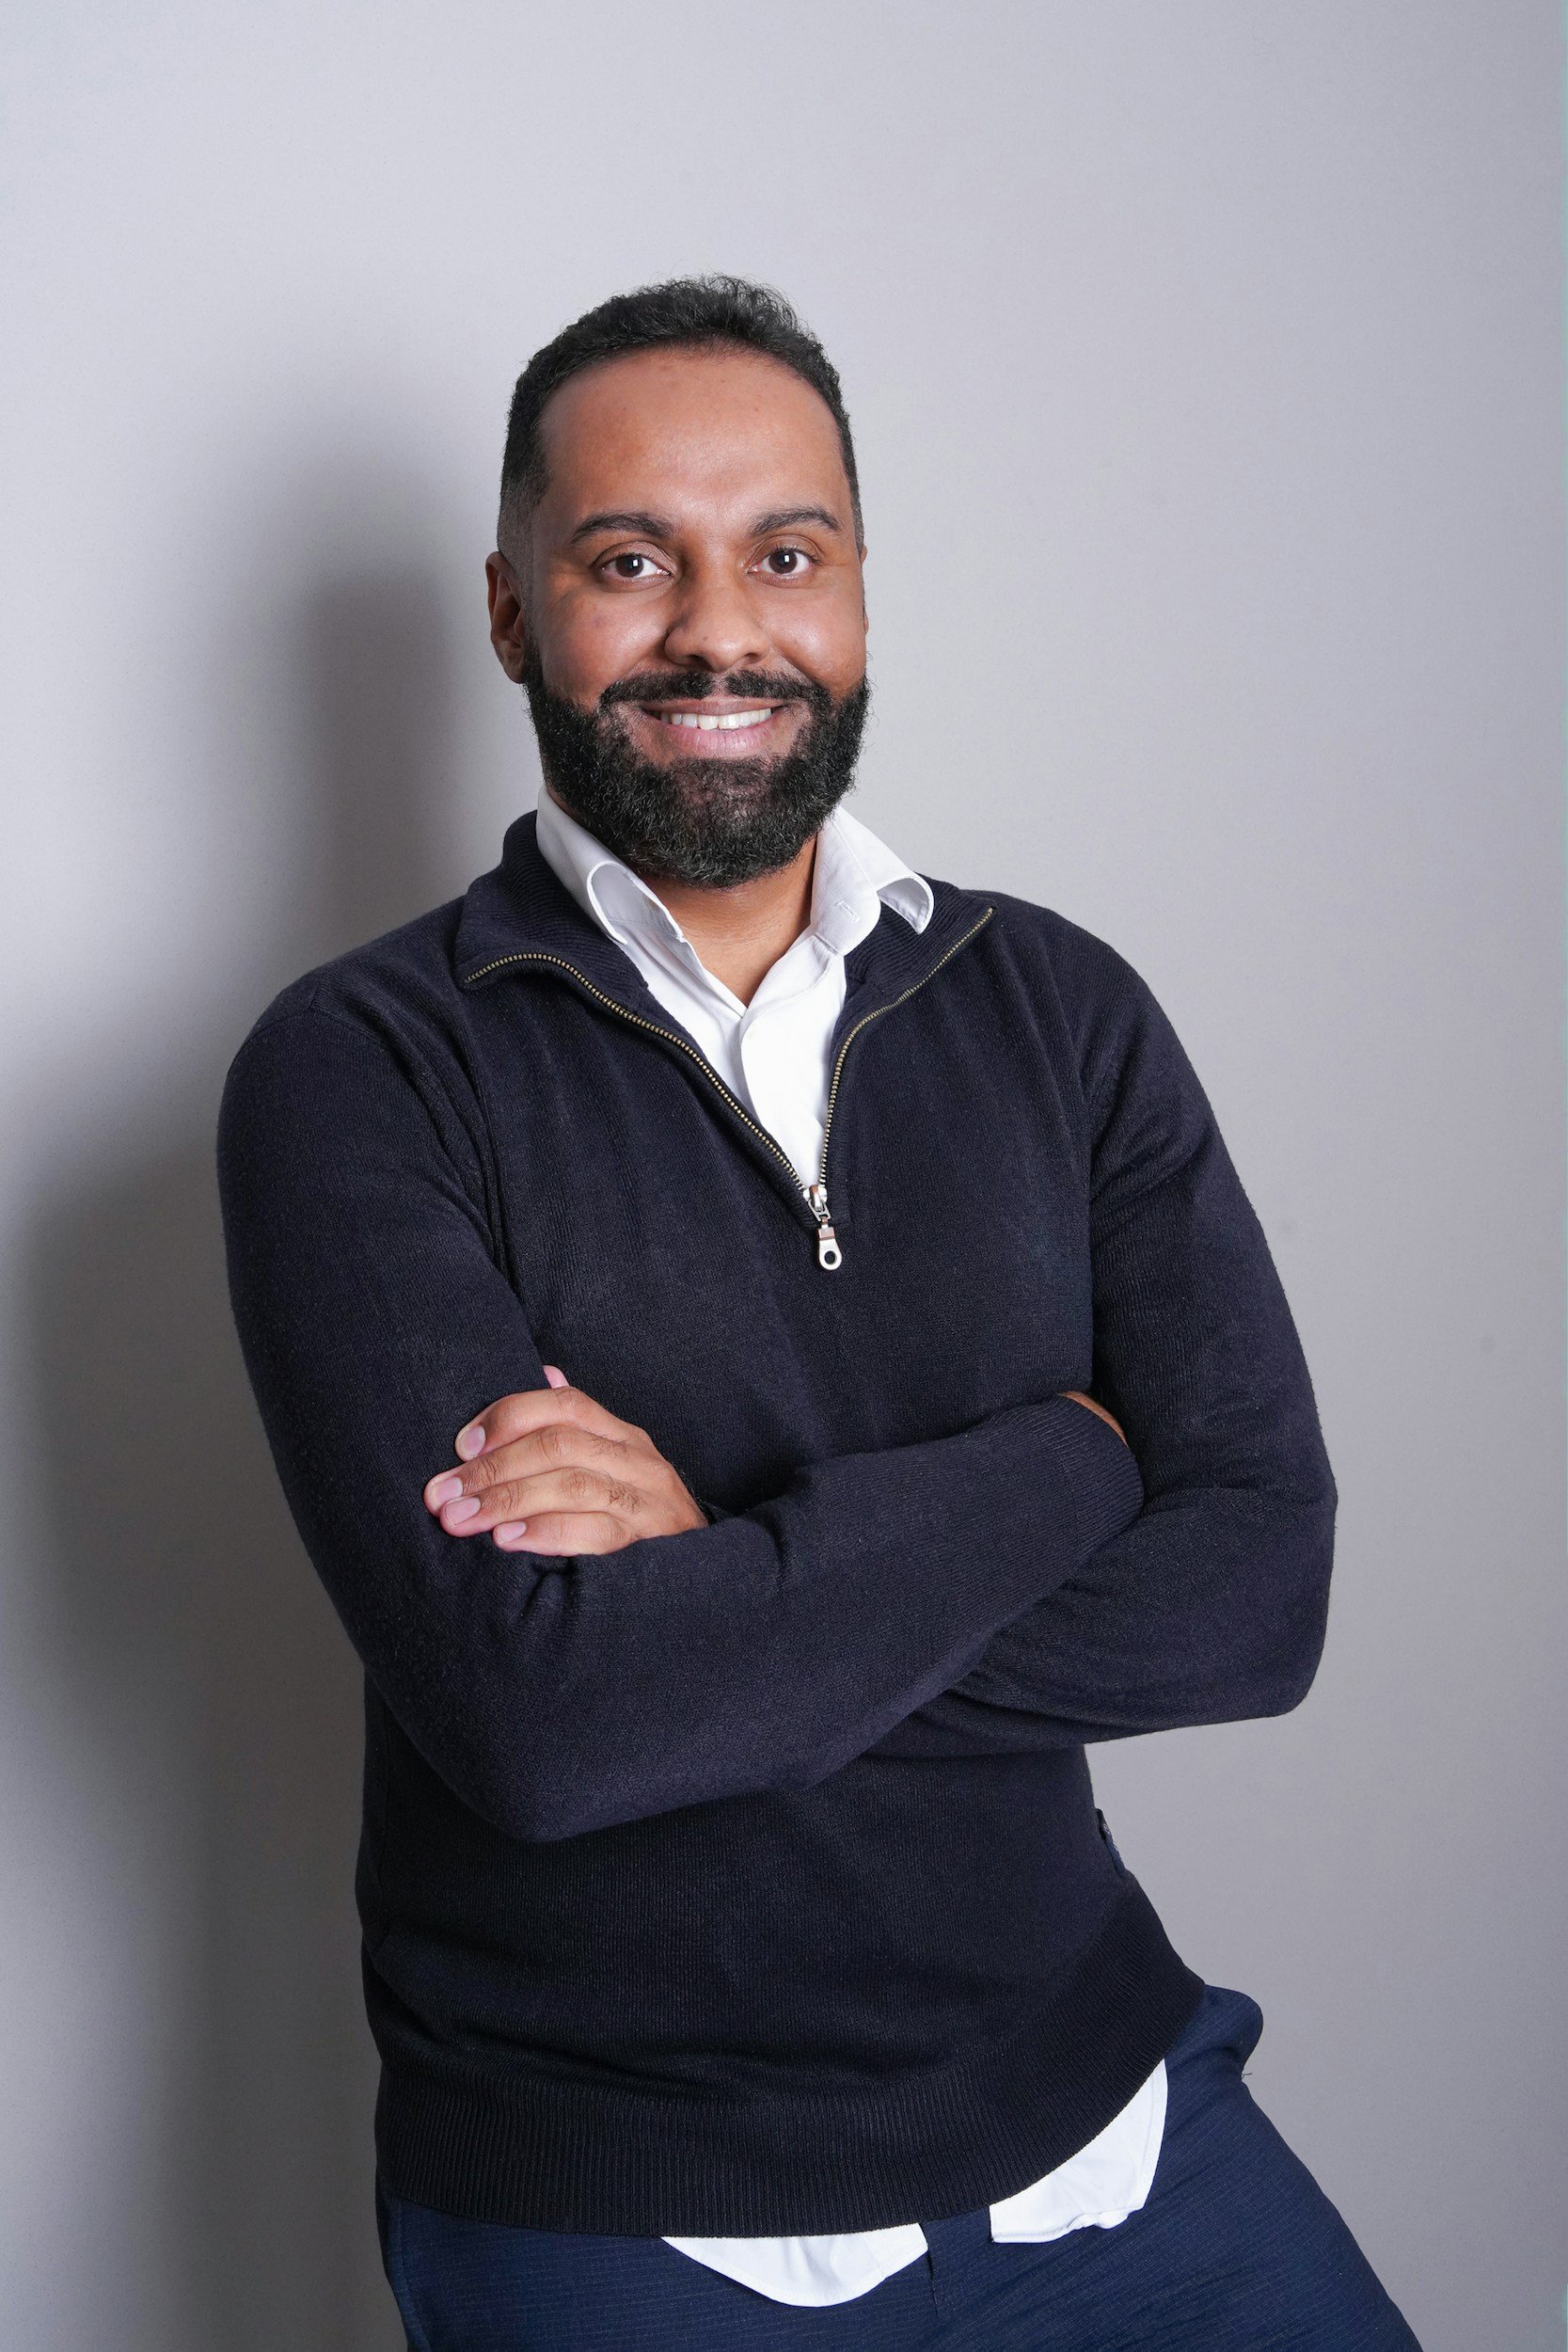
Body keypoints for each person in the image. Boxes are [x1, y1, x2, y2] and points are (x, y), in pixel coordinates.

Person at [215, 276, 1421, 2349]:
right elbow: (548, 1716)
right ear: (510, 611)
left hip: (1116, 2120)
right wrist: (1071, 1457)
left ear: (861, 594)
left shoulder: (1058, 1008)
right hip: (625, 2209)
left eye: (786, 553)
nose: (718, 629)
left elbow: (1260, 1595)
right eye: (627, 560)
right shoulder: (361, 1066)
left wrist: (720, 1584)